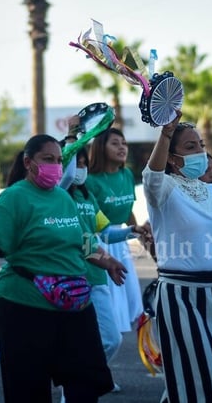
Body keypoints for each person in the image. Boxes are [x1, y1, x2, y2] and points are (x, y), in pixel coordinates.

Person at [0, 134, 114, 402]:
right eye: (48, 159)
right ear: (28, 162)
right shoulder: (13, 197)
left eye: (59, 160)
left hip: (75, 306)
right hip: (24, 307)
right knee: (28, 391)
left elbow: (84, 240)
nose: (56, 166)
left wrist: (108, 261)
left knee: (87, 383)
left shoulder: (63, 198)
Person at [143, 117, 212, 402]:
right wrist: (166, 133)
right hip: (180, 297)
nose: (200, 152)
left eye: (201, 145)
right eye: (190, 146)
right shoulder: (164, 189)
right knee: (194, 380)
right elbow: (151, 175)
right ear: (172, 158)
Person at [66, 147, 133, 396]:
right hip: (69, 278)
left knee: (111, 338)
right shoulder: (59, 197)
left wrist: (133, 231)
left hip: (96, 276)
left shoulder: (87, 198)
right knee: (76, 341)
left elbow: (104, 233)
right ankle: (75, 388)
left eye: (83, 164)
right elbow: (80, 242)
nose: (80, 169)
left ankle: (84, 376)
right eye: (75, 164)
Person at [85, 128, 147, 332]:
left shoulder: (127, 174)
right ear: (100, 148)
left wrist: (143, 239)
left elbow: (129, 214)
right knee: (107, 311)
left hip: (122, 242)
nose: (122, 147)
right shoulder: (89, 180)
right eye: (115, 143)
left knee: (126, 307)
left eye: (124, 143)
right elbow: (91, 223)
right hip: (98, 243)